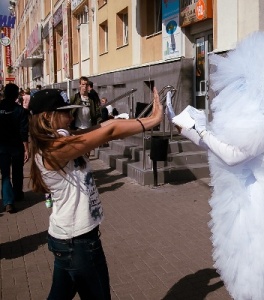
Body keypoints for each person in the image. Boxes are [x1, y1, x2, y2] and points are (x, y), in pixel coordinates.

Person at [166, 31, 264, 300]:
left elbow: (233, 155)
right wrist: (192, 131)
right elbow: (224, 146)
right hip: (252, 203)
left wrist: (200, 131)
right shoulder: (259, 118)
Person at [28, 87, 163, 299]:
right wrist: (154, 120)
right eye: (64, 112)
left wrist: (143, 118)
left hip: (69, 240)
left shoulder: (61, 140)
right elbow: (109, 132)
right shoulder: (54, 149)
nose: (70, 116)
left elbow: (106, 125)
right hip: (77, 242)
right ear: (47, 117)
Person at [0, 83, 29, 212]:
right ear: (16, 95)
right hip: (16, 146)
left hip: (2, 147)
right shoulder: (20, 110)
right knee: (18, 171)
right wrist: (26, 148)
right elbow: (24, 131)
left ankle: (8, 201)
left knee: (5, 174)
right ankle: (18, 194)